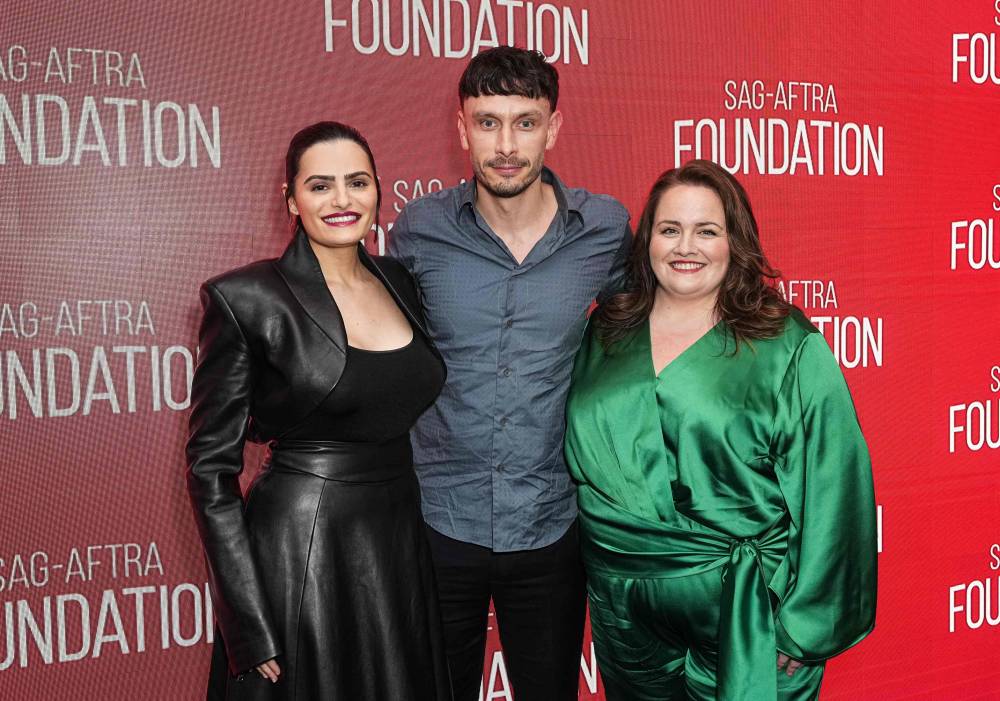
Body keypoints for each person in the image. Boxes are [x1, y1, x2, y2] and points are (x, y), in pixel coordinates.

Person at [564, 159, 877, 700]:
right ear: (647, 241)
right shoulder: (606, 329)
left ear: (736, 242)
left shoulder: (788, 344)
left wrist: (804, 629)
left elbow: (835, 487)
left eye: (707, 230)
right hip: (626, 618)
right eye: (670, 229)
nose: (686, 246)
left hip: (745, 609)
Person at [388, 46, 632, 701]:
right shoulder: (417, 231)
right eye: (488, 121)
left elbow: (653, 333)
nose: (505, 144)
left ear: (553, 128)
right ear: (461, 128)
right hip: (440, 516)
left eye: (525, 122)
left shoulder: (604, 229)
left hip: (551, 518)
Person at [186, 121, 452, 700]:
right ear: (291, 199)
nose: (341, 200)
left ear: (379, 191)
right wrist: (247, 621)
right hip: (301, 551)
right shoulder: (246, 298)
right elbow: (210, 469)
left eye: (357, 183)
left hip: (397, 544)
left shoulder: (400, 280)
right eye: (320, 186)